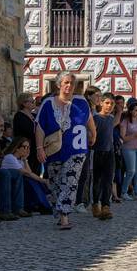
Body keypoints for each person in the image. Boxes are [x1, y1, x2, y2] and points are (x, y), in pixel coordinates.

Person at [36, 71, 95, 230]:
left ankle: (64, 216)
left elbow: (89, 119)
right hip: (54, 149)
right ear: (59, 85)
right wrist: (39, 148)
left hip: (77, 148)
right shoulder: (48, 103)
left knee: (70, 181)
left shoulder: (81, 101)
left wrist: (93, 134)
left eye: (72, 83)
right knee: (55, 183)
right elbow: (40, 127)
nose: (69, 86)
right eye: (66, 83)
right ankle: (59, 209)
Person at [1, 137, 50, 213]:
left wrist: (24, 159)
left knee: (33, 180)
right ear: (17, 148)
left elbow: (29, 172)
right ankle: (42, 205)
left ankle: (41, 205)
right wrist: (44, 180)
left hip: (17, 183)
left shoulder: (20, 160)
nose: (27, 149)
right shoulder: (10, 157)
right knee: (30, 180)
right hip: (10, 183)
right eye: (25, 147)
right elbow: (28, 173)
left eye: (28, 147)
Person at [89, 93, 117, 218]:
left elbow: (117, 121)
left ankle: (106, 206)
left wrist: (120, 111)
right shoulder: (95, 118)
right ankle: (95, 204)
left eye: (111, 103)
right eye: (107, 103)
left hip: (109, 152)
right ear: (101, 103)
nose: (109, 106)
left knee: (108, 180)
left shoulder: (111, 118)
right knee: (97, 180)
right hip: (97, 151)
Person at [120, 101, 137, 201]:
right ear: (131, 111)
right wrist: (134, 136)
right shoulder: (125, 121)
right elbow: (123, 138)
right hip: (128, 148)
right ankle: (124, 192)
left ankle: (136, 193)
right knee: (131, 171)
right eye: (136, 110)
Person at [11, 91, 42, 177]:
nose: (33, 103)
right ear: (24, 103)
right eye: (31, 102)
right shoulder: (19, 116)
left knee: (36, 171)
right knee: (28, 171)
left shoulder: (33, 115)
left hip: (35, 147)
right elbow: (28, 131)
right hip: (25, 147)